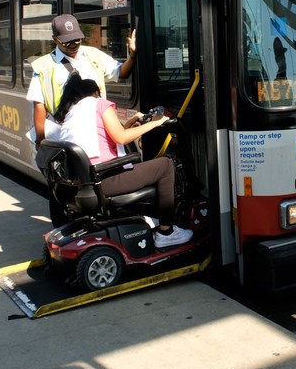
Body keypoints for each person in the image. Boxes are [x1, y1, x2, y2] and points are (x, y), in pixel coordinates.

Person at [52, 72, 193, 248]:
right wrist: (156, 123)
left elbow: (107, 136)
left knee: (142, 165)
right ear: (96, 92)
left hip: (83, 183)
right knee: (165, 165)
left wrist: (131, 123)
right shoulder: (100, 104)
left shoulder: (73, 112)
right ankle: (166, 232)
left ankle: (151, 219)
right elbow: (120, 138)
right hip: (104, 179)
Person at [27, 14, 136, 226]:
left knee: (95, 181)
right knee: (62, 186)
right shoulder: (43, 66)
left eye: (76, 39)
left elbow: (120, 72)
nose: (73, 45)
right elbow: (38, 105)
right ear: (55, 39)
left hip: (95, 132)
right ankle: (61, 232)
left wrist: (132, 55)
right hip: (63, 134)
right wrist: (42, 142)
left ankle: (96, 227)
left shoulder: (93, 55)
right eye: (67, 41)